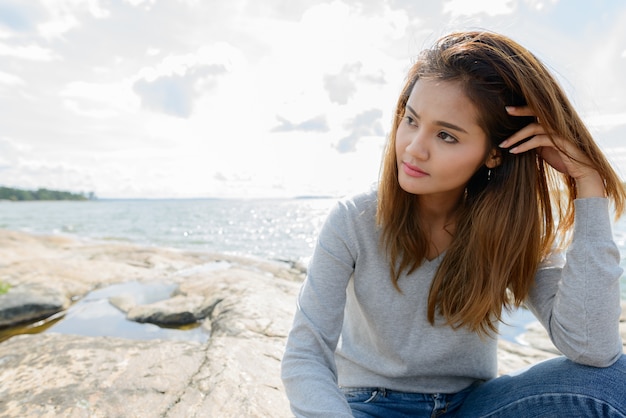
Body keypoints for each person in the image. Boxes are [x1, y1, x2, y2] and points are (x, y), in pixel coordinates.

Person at [280, 30, 626, 417]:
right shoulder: (354, 219)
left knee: (615, 382)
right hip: (369, 405)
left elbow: (592, 348)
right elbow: (304, 356)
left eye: (446, 135)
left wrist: (588, 185)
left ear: (494, 154)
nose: (413, 147)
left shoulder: (510, 231)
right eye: (411, 120)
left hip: (473, 407)